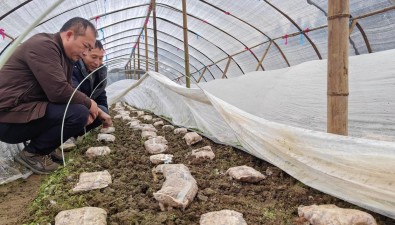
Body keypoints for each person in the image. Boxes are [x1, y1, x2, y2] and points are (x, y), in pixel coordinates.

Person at [0, 17, 103, 174]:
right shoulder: (43, 45)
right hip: (8, 118)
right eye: (85, 46)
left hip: (22, 113)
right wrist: (89, 103)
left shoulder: (64, 56)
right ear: (69, 35)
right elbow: (58, 91)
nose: (84, 53)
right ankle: (33, 153)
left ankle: (45, 147)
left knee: (81, 110)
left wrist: (93, 108)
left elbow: (68, 89)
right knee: (78, 113)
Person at [71, 40, 112, 138]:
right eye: (93, 57)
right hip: (72, 107)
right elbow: (74, 95)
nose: (97, 62)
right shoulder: (73, 68)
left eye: (101, 58)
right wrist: (100, 112)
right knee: (82, 111)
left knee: (102, 110)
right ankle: (65, 136)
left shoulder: (99, 72)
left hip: (86, 107)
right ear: (84, 53)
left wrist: (105, 115)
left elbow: (101, 94)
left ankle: (76, 134)